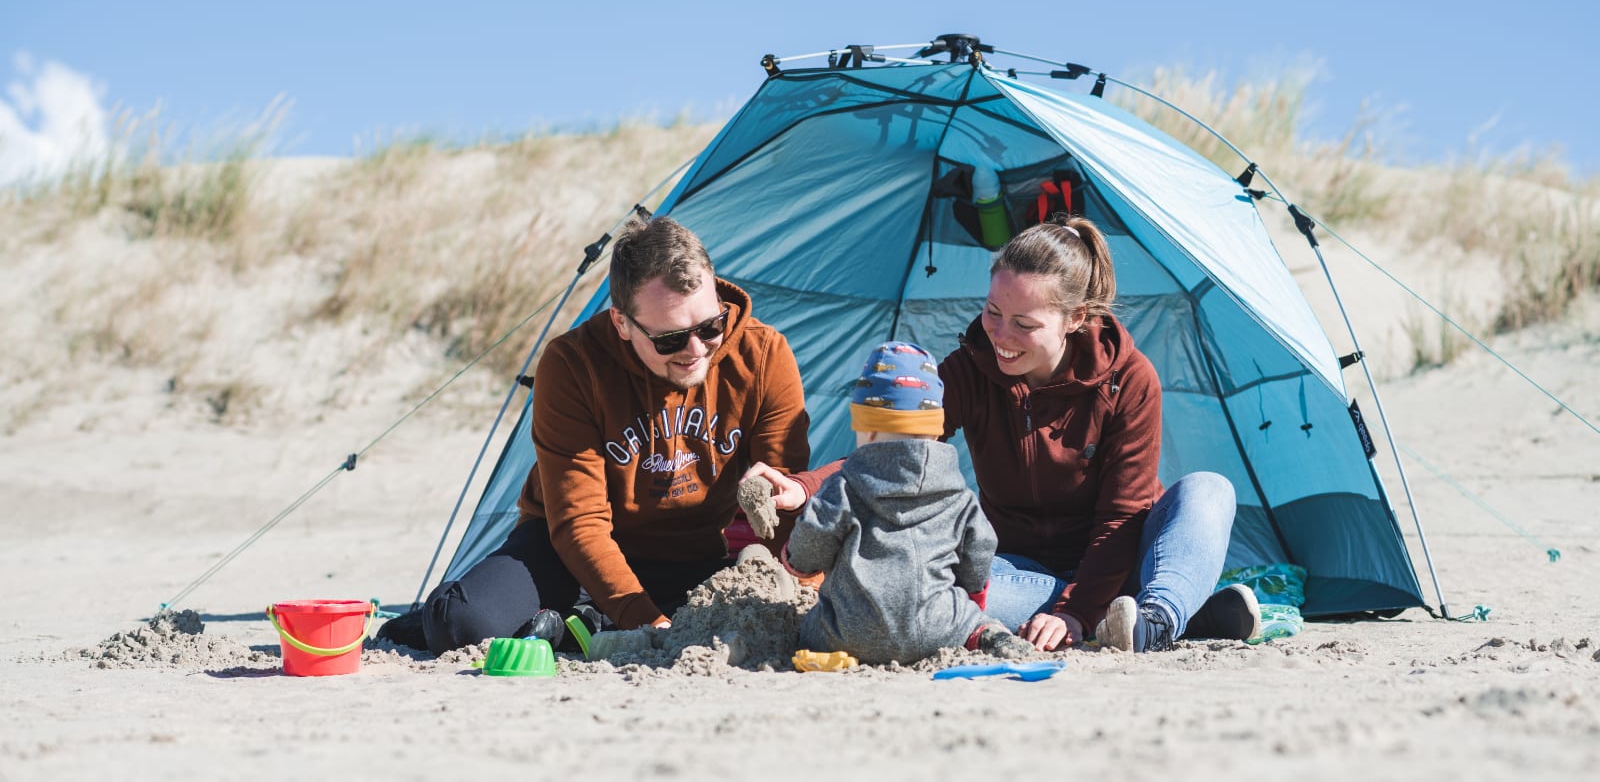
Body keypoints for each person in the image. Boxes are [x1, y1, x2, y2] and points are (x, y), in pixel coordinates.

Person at [754, 215, 1259, 654]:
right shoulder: (967, 371)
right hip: (1020, 570)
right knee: (941, 586)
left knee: (1210, 490)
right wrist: (804, 486)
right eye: (993, 312)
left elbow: (1123, 519)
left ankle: (1158, 619)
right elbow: (889, 453)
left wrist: (1076, 610)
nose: (1001, 335)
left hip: (1126, 554)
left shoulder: (1130, 379)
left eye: (1024, 323)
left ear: (1075, 319)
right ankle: (1182, 618)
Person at [415, 217, 814, 654]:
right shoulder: (572, 365)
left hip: (697, 558)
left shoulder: (764, 354)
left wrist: (793, 586)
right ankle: (587, 617)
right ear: (622, 323)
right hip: (570, 552)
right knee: (463, 626)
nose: (696, 350)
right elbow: (579, 522)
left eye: (709, 326)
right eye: (670, 339)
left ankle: (582, 625)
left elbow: (783, 499)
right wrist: (648, 625)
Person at [782, 341, 1035, 665]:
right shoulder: (959, 495)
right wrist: (971, 597)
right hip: (939, 628)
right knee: (970, 619)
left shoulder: (844, 486)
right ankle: (984, 634)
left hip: (850, 633)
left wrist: (795, 560)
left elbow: (812, 544)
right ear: (934, 432)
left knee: (809, 625)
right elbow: (981, 548)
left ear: (867, 429)